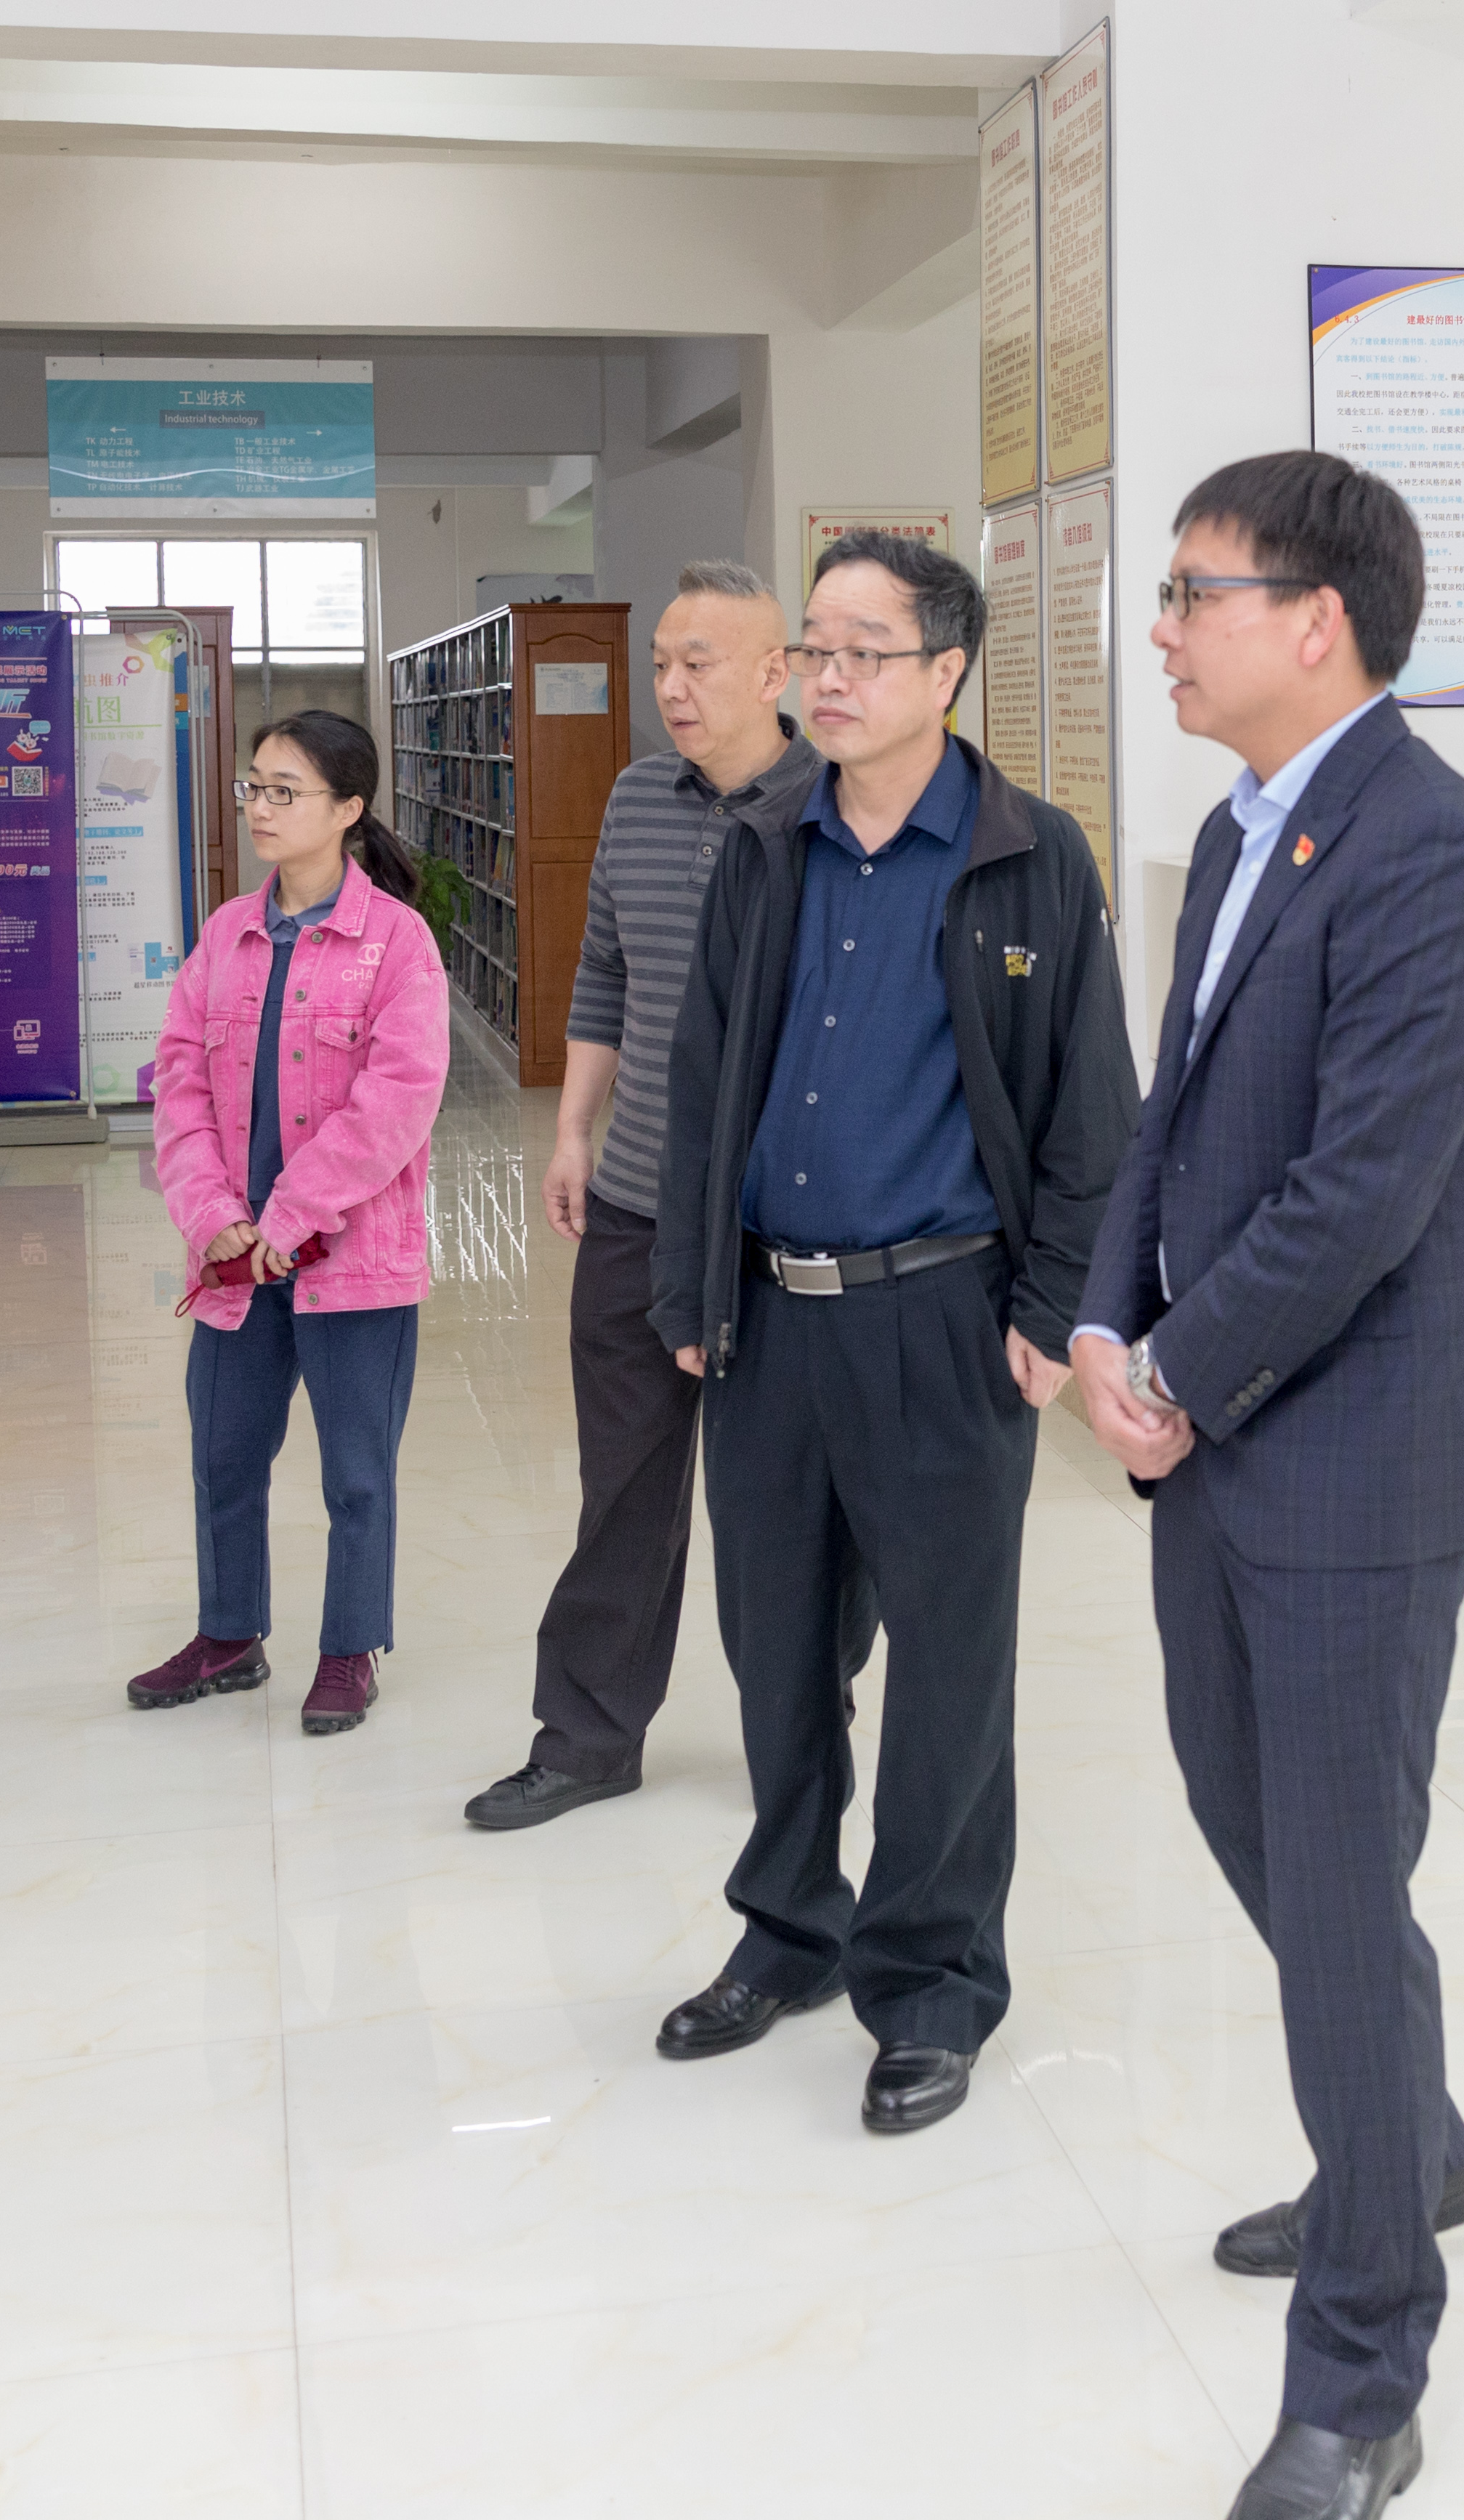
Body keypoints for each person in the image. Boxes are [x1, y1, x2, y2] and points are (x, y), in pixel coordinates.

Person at [1069, 452, 1464, 2520]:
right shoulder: (1242, 828)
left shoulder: (1428, 851)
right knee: (1241, 1809)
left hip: (1354, 1453)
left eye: (1194, 591)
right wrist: (1106, 1317)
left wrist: (1174, 1368)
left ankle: (1360, 2365)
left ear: (1313, 619)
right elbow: (1168, 1122)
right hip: (1222, 1432)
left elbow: (1361, 1195)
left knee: (1335, 1889)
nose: (1162, 627)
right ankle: (1408, 2139)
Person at [646, 530, 1132, 2134]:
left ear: (946, 672)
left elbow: (1089, 1109)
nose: (829, 678)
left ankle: (928, 1982)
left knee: (946, 1673)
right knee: (775, 1651)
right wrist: (690, 1289)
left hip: (943, 1320)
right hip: (770, 1324)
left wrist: (1052, 1309)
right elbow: (705, 1071)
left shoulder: (1028, 856)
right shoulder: (763, 843)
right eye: (815, 648)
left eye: (865, 651)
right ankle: (788, 1928)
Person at [465, 559, 868, 1831]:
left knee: (788, 1498)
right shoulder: (637, 798)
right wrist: (571, 1131)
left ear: (776, 672)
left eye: (700, 663)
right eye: (660, 665)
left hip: (774, 1222)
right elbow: (605, 972)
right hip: (638, 1205)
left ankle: (804, 1724)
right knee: (624, 1486)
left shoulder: (834, 808)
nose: (673, 688)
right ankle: (587, 1734)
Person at [128, 710, 450, 1738]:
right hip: (235, 1258)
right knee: (223, 1454)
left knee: (356, 1470)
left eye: (284, 790)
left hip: (349, 1256)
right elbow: (177, 1083)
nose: (260, 808)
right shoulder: (226, 934)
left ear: (348, 809)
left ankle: (350, 1647)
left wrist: (292, 1211)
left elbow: (399, 1100)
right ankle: (229, 1635)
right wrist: (211, 1212)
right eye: (253, 787)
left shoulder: (395, 942)